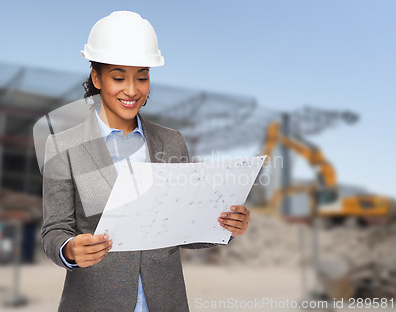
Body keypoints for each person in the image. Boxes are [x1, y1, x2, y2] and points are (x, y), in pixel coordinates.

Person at [40, 11, 251, 312]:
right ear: (97, 78)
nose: (132, 90)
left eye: (142, 77)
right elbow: (54, 230)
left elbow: (185, 228)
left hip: (164, 303)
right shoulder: (63, 147)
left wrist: (225, 226)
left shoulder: (171, 141)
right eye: (118, 77)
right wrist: (70, 249)